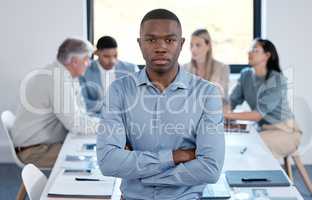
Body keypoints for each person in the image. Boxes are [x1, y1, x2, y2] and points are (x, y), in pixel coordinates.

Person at [96, 9, 225, 199]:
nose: (161, 47)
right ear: (140, 44)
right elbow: (108, 162)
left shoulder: (207, 93)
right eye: (151, 40)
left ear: (181, 44)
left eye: (170, 40)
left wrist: (144, 174)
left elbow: (210, 169)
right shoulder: (119, 91)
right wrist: (175, 156)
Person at [11, 38, 100, 168]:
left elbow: (80, 113)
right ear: (74, 61)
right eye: (86, 59)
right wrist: (107, 126)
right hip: (35, 151)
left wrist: (100, 123)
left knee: (93, 150)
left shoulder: (63, 75)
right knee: (92, 159)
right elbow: (75, 124)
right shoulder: (58, 80)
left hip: (42, 145)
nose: (89, 64)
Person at [225, 38, 301, 158]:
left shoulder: (276, 80)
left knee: (253, 145)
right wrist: (224, 110)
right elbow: (232, 100)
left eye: (255, 50)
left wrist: (227, 115)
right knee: (240, 142)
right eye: (250, 50)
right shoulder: (246, 75)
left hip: (285, 131)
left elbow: (257, 115)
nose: (249, 52)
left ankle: (264, 176)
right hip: (263, 129)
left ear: (267, 56)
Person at [79, 36, 139, 114]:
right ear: (96, 53)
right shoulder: (84, 71)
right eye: (106, 56)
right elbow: (82, 102)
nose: (112, 61)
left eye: (115, 56)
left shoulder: (131, 69)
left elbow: (138, 97)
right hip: (97, 118)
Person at [183, 29, 230, 103]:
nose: (193, 49)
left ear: (208, 46)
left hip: (214, 110)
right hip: (191, 111)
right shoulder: (184, 69)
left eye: (198, 45)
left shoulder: (222, 68)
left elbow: (223, 97)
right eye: (191, 45)